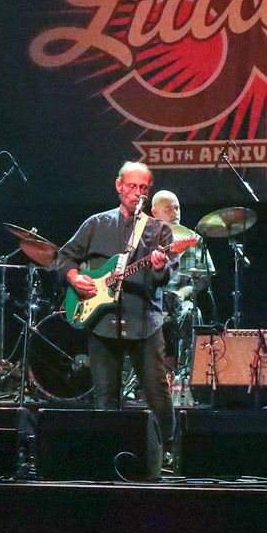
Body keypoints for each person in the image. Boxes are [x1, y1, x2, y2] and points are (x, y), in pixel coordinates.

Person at [56, 162, 174, 449]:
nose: (137, 192)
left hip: (144, 321)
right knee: (105, 396)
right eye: (132, 186)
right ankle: (108, 451)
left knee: (157, 393)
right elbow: (65, 256)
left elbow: (164, 277)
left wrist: (160, 267)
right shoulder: (96, 224)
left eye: (143, 188)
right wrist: (74, 277)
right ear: (119, 186)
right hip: (102, 322)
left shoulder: (159, 230)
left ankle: (169, 451)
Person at [150, 189, 212, 387]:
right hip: (150, 301)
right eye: (168, 209)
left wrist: (183, 293)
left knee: (193, 313)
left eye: (177, 208)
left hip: (179, 299)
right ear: (154, 213)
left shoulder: (193, 239)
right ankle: (132, 381)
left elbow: (204, 276)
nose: (174, 213)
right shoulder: (143, 239)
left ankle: (187, 376)